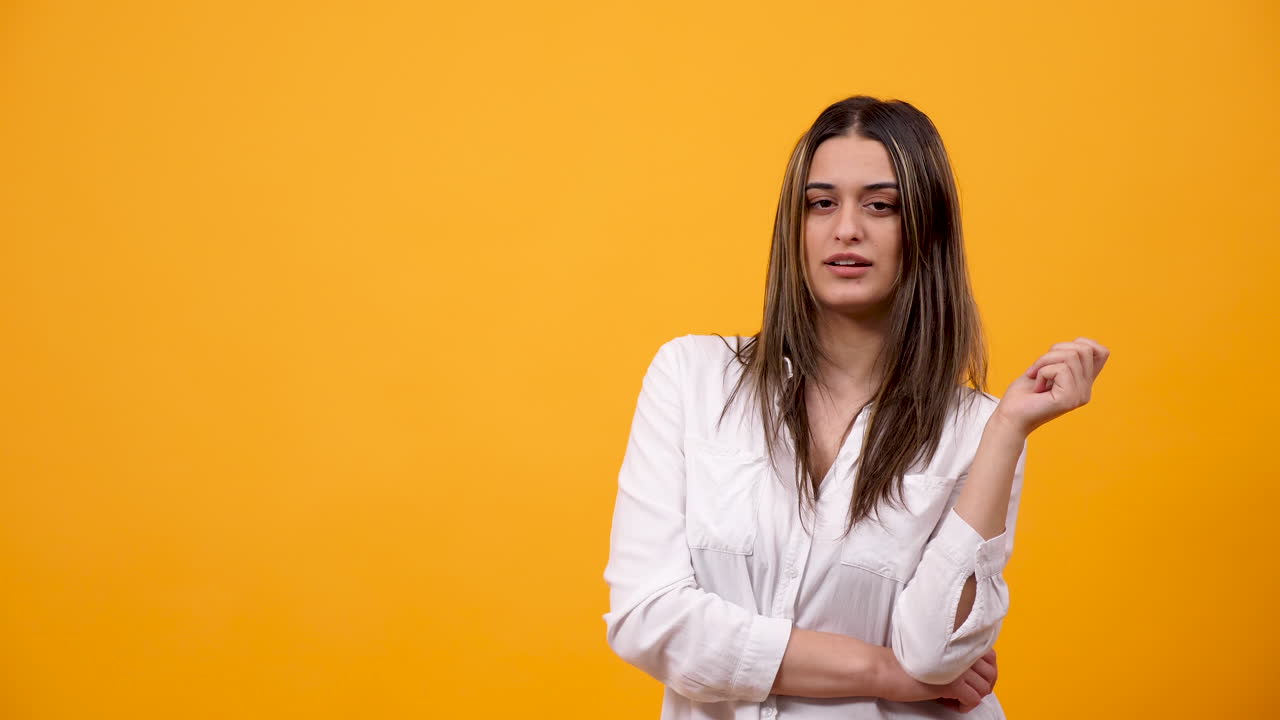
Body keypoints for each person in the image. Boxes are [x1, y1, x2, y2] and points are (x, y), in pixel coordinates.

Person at [601, 95, 1109, 719]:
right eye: (822, 203)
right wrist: (881, 671)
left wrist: (1006, 428)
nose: (846, 229)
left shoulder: (975, 428)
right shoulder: (692, 378)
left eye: (880, 205)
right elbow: (647, 617)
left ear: (927, 229)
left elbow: (936, 655)